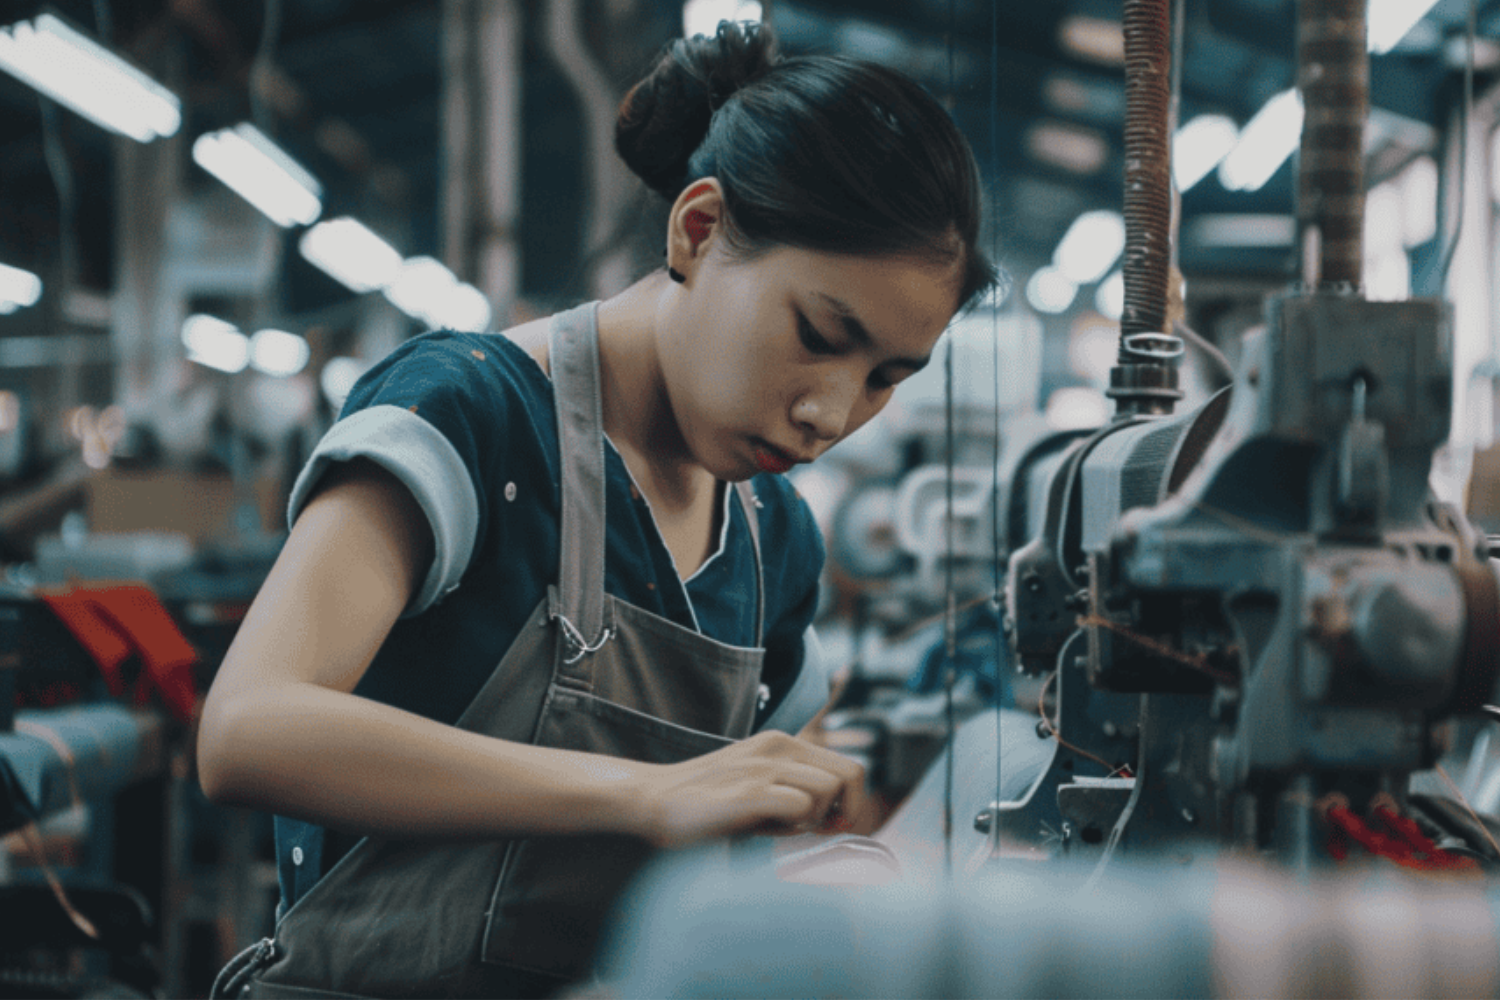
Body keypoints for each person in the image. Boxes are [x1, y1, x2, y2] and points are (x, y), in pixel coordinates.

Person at [198, 19, 996, 1000]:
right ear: (698, 231)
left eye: (885, 377)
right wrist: (646, 793)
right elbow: (247, 730)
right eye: (820, 333)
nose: (832, 412)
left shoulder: (772, 538)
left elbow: (782, 813)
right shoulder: (472, 416)